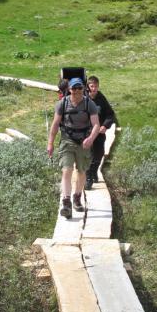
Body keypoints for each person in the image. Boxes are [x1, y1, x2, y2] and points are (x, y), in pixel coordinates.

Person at [47, 76, 100, 219]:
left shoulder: (90, 104)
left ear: (84, 89)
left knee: (82, 171)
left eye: (79, 88)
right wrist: (50, 143)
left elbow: (96, 125)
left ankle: (77, 198)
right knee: (67, 170)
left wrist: (90, 139)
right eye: (74, 88)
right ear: (69, 90)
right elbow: (55, 125)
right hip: (67, 140)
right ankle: (66, 203)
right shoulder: (62, 104)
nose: (77, 91)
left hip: (84, 141)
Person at [85, 75, 117, 190]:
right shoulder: (83, 97)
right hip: (86, 132)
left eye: (96, 87)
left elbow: (110, 114)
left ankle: (93, 172)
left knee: (99, 153)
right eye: (92, 86)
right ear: (88, 86)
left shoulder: (101, 98)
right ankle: (88, 179)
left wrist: (105, 126)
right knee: (88, 155)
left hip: (99, 132)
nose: (94, 89)